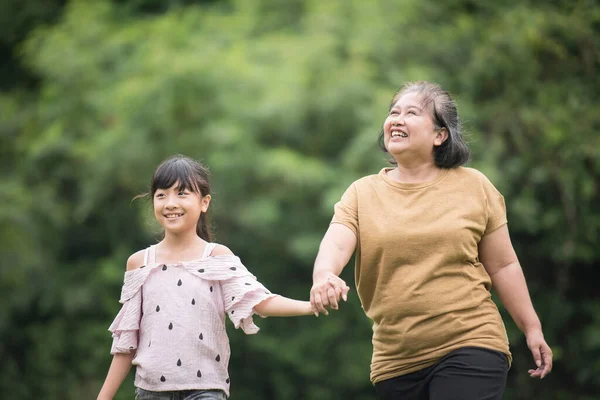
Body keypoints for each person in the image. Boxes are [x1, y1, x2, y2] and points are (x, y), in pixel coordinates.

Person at [309, 81, 553, 400]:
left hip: (471, 340)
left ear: (440, 134)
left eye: (411, 113)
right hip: (395, 360)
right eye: (394, 112)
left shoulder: (474, 186)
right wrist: (324, 275)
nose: (397, 119)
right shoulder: (362, 193)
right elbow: (337, 243)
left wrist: (531, 327)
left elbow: (504, 265)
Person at [97, 155, 342, 400]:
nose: (170, 203)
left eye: (182, 194)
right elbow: (126, 341)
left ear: (204, 202)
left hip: (206, 391)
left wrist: (311, 306)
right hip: (150, 392)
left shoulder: (217, 258)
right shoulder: (139, 263)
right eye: (161, 195)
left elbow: (258, 301)